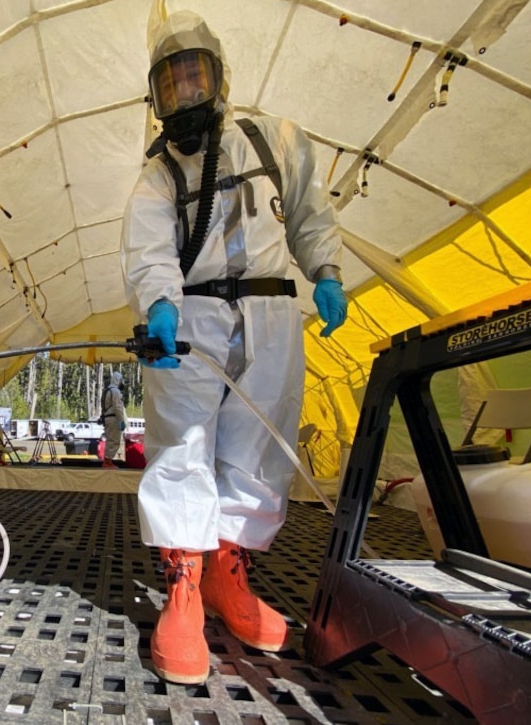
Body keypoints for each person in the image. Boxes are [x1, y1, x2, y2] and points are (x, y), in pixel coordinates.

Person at [121, 10, 347, 685]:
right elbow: (147, 243)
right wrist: (159, 302)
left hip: (274, 308)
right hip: (192, 312)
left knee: (260, 439)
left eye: (196, 75)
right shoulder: (159, 172)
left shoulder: (274, 139)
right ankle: (185, 587)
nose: (186, 93)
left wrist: (326, 271)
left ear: (221, 77)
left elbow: (309, 209)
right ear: (155, 97)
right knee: (183, 441)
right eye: (171, 83)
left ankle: (228, 575)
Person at [101, 370, 128, 467]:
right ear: (118, 380)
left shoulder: (107, 390)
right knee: (114, 441)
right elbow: (117, 407)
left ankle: (108, 460)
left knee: (110, 440)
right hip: (114, 419)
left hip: (108, 418)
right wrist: (121, 420)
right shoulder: (115, 391)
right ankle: (107, 461)